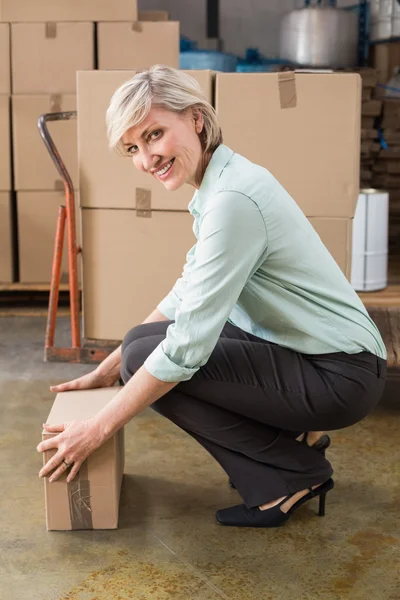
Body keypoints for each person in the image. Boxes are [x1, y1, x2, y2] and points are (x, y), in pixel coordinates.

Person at [37, 65, 387, 528]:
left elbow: (185, 349)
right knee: (140, 344)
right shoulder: (223, 183)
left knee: (153, 359)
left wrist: (97, 428)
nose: (146, 159)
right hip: (313, 353)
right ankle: (292, 438)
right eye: (133, 148)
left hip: (338, 374)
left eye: (155, 134)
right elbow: (189, 289)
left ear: (197, 119)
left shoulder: (234, 200)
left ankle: (290, 477)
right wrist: (107, 365)